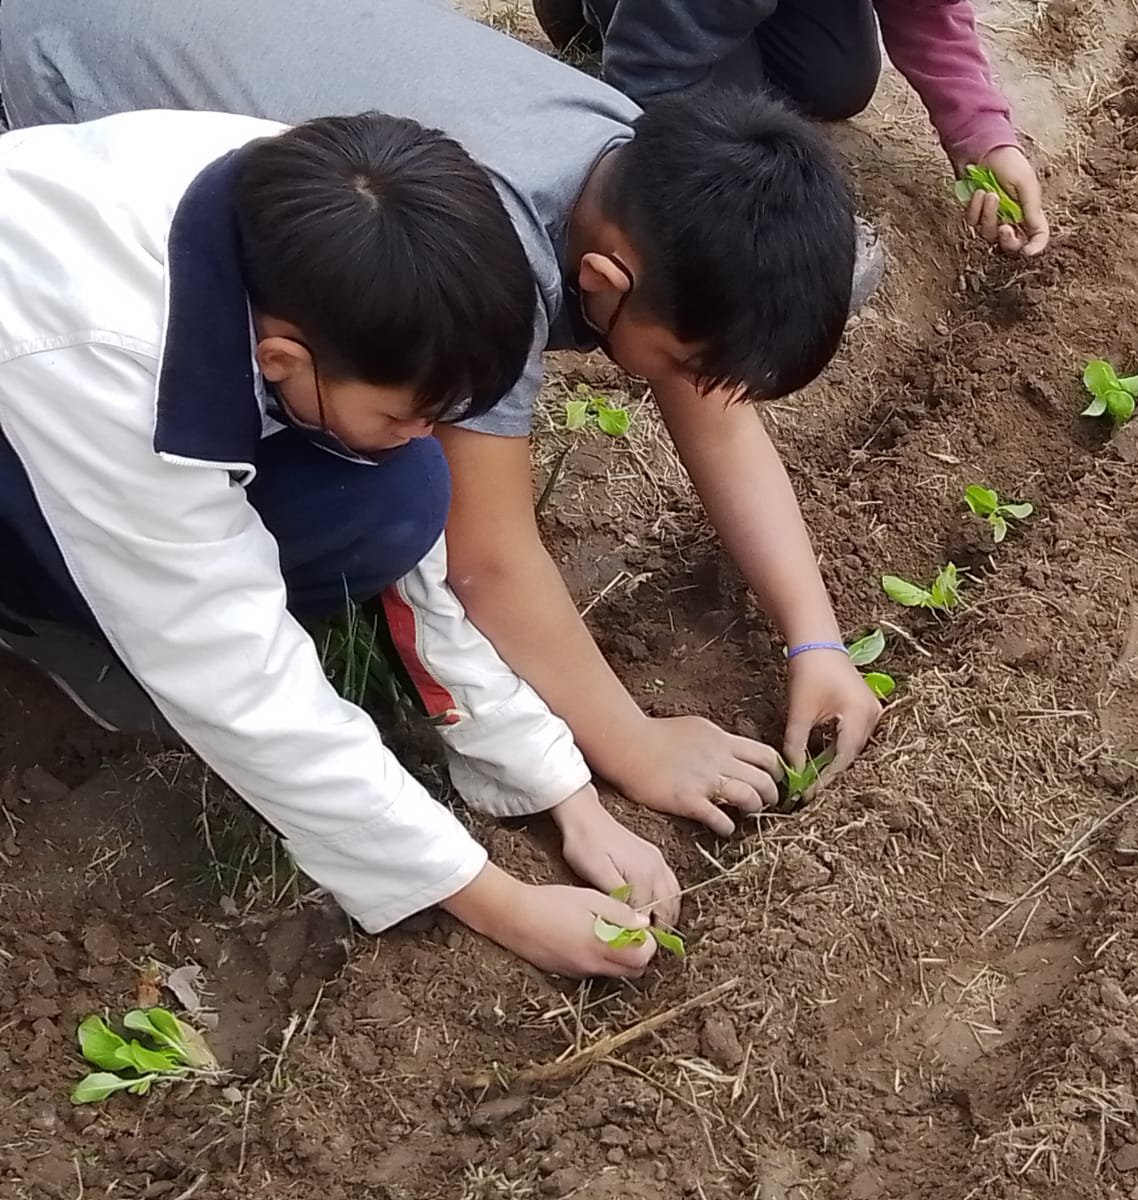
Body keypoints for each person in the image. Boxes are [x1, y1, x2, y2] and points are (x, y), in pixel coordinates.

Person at [0, 0, 884, 837]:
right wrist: (633, 743)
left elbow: (719, 418)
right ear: (604, 284)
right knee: (375, 500)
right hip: (42, 108)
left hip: (129, 36)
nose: (698, 388)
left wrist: (815, 640)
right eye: (691, 364)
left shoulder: (638, 169)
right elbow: (486, 559)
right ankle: (54, 596)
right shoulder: (486, 249)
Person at [0, 107, 684, 977]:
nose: (425, 429)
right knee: (161, 608)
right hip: (36, 396)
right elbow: (234, 674)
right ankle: (39, 614)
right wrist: (499, 903)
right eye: (407, 411)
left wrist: (562, 789)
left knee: (399, 491)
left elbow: (418, 560)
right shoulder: (106, 361)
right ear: (282, 361)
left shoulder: (334, 240)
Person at [539, 0, 1052, 259]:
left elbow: (925, 9)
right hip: (662, 21)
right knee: (723, 116)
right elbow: (652, 80)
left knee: (836, 81)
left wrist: (984, 136)